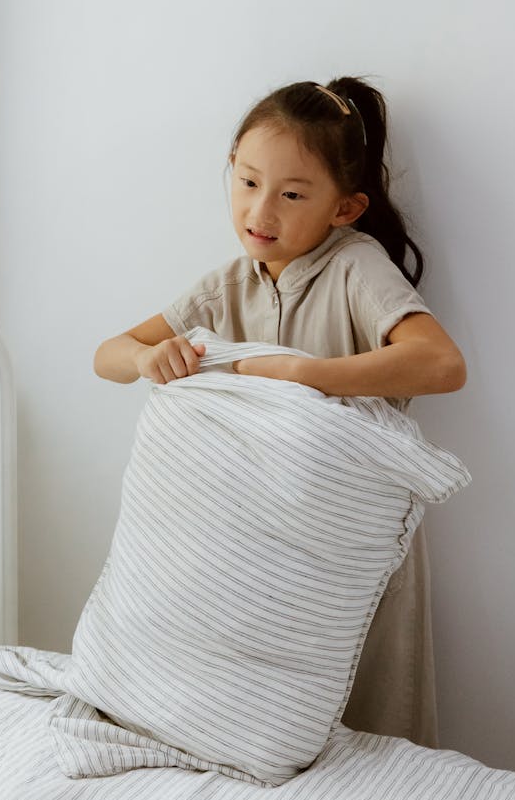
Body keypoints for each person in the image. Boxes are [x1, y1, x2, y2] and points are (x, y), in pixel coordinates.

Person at [93, 76, 466, 747]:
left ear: (344, 207)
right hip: (262, 549)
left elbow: (441, 363)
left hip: (352, 545)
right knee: (266, 721)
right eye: (246, 181)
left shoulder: (355, 267)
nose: (260, 210)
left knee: (369, 727)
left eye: (292, 194)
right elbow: (108, 353)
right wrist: (150, 358)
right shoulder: (228, 283)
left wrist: (308, 373)